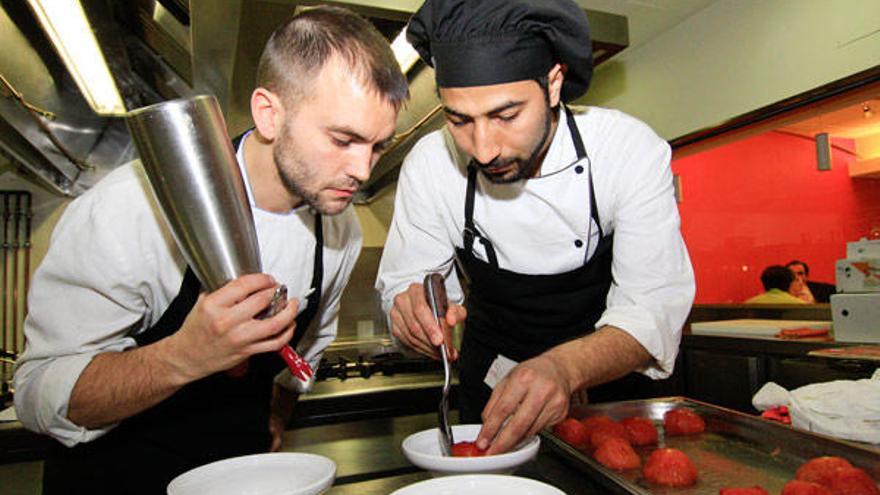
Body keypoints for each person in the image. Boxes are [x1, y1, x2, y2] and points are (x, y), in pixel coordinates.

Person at [14, 7, 408, 493]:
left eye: (379, 147)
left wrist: (277, 415)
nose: (364, 170)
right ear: (269, 113)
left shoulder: (338, 229)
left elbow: (305, 353)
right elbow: (38, 395)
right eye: (344, 140)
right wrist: (182, 356)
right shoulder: (133, 209)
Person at [376, 0, 695, 455]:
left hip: (608, 388)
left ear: (553, 83)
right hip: (491, 390)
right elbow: (409, 282)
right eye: (459, 119)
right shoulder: (430, 164)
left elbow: (652, 308)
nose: (484, 149)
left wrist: (565, 369)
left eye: (506, 115)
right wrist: (411, 312)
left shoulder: (627, 151)